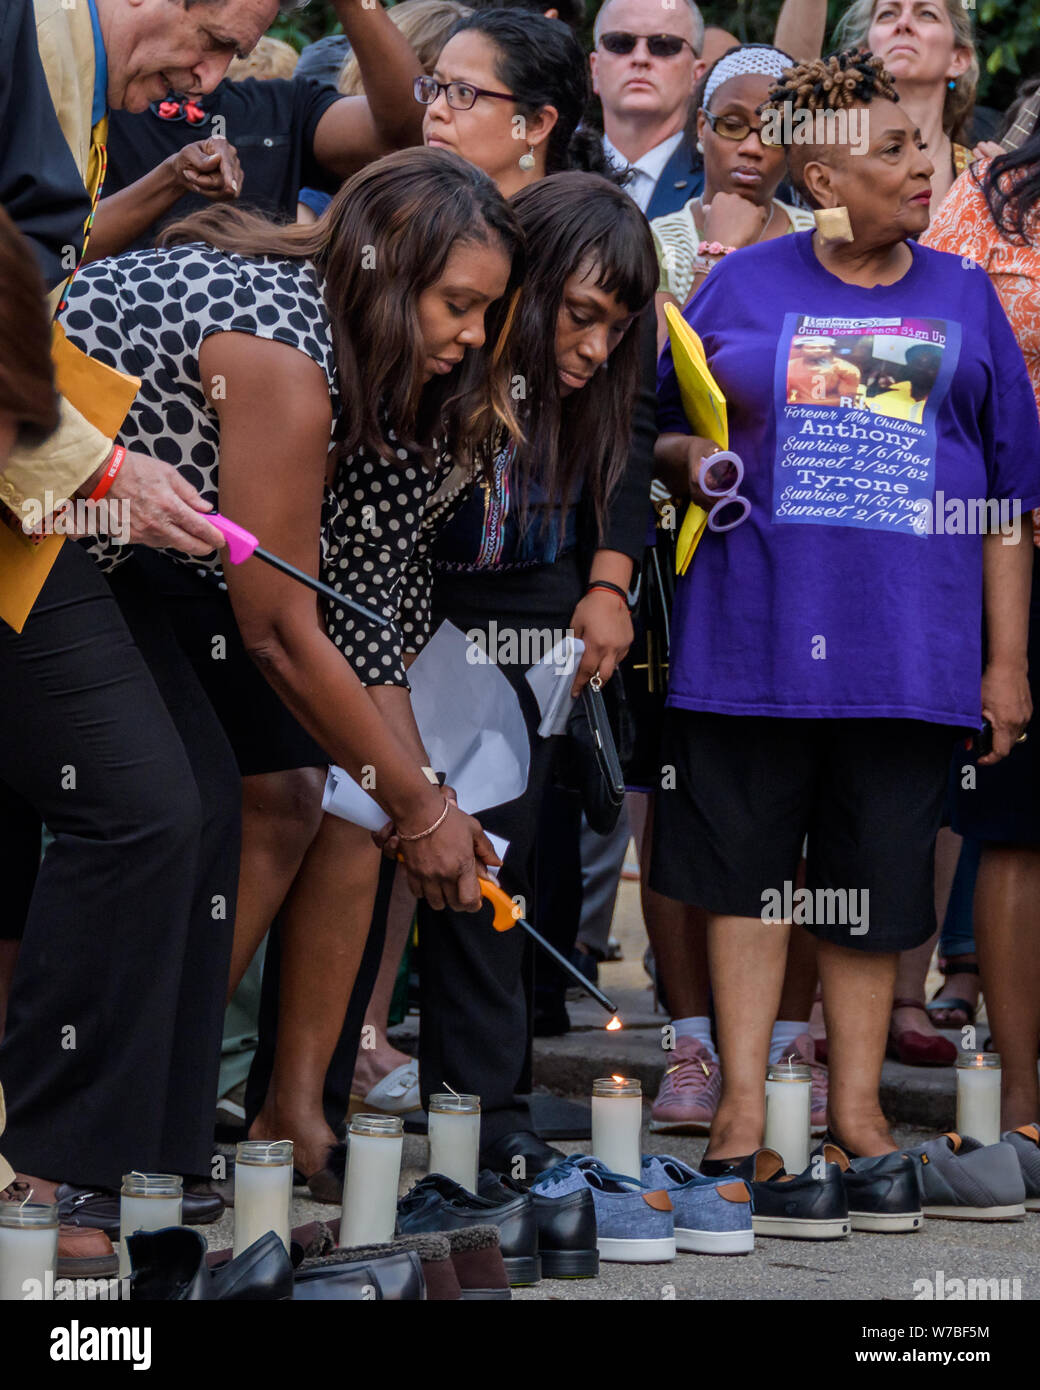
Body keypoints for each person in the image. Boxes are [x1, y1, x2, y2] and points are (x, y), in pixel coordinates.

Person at [58, 147, 522, 1190]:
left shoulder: (324, 334)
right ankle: (80, 1145)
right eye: (455, 304)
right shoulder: (280, 355)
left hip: (128, 553)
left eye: (486, 314)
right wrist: (417, 809)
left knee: (277, 782)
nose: (469, 338)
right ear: (386, 269)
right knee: (162, 807)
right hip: (44, 536)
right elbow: (278, 630)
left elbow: (333, 627)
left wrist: (415, 801)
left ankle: (159, 1120)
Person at [652, 50, 1040, 1166]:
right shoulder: (740, 284)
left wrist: (1003, 661)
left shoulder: (963, 294)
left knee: (872, 892)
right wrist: (692, 464)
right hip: (753, 643)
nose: (923, 167)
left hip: (907, 658)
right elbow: (656, 426)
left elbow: (1011, 497)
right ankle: (738, 1111)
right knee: (746, 881)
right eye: (890, 153)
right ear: (820, 184)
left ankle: (858, 1112)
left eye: (920, 144)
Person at [0, 0, 282, 1273]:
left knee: (203, 795)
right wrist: (102, 465)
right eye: (217, 40)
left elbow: (41, 263)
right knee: (141, 803)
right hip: (32, 471)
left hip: (34, 471)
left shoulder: (80, 68)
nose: (211, 77)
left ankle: (144, 1168)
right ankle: (52, 1177)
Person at [922, 92, 1040, 1128]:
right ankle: (1018, 1091)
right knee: (1015, 825)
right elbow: (929, 347)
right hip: (1013, 545)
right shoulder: (990, 202)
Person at [93, 0, 425, 258]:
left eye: (236, 53)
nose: (209, 81)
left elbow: (402, 134)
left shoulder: (286, 110)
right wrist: (171, 178)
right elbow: (54, 248)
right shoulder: (80, 94)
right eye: (213, 40)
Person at [651, 43, 816, 329]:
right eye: (732, 124)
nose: (752, 147)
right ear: (702, 127)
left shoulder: (818, 237)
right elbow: (669, 364)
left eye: (773, 130)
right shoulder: (661, 241)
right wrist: (717, 252)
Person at [834, 0, 977, 209]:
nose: (903, 23)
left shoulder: (981, 177)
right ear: (863, 54)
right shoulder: (833, 168)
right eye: (888, 14)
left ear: (958, 59)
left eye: (927, 14)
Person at [590, 0, 708, 219]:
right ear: (595, 70)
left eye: (663, 46)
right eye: (620, 43)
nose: (640, 58)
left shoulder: (723, 184)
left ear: (696, 75)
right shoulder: (553, 171)